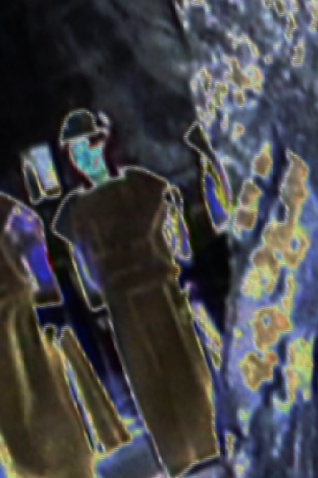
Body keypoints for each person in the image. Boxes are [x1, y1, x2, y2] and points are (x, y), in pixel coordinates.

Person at [51, 108, 219, 477]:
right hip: (121, 304)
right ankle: (177, 455)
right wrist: (101, 299)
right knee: (147, 378)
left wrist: (181, 275)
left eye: (87, 148)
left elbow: (179, 243)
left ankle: (206, 442)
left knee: (182, 365)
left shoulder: (145, 187)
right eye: (74, 154)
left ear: (102, 144)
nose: (83, 160)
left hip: (160, 289)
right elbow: (86, 270)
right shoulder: (76, 213)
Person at [0, 192, 95, 477]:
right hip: (17, 301)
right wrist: (45, 288)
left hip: (15, 304)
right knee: (39, 383)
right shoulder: (6, 208)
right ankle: (65, 464)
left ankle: (41, 467)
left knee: (16, 399)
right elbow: (31, 239)